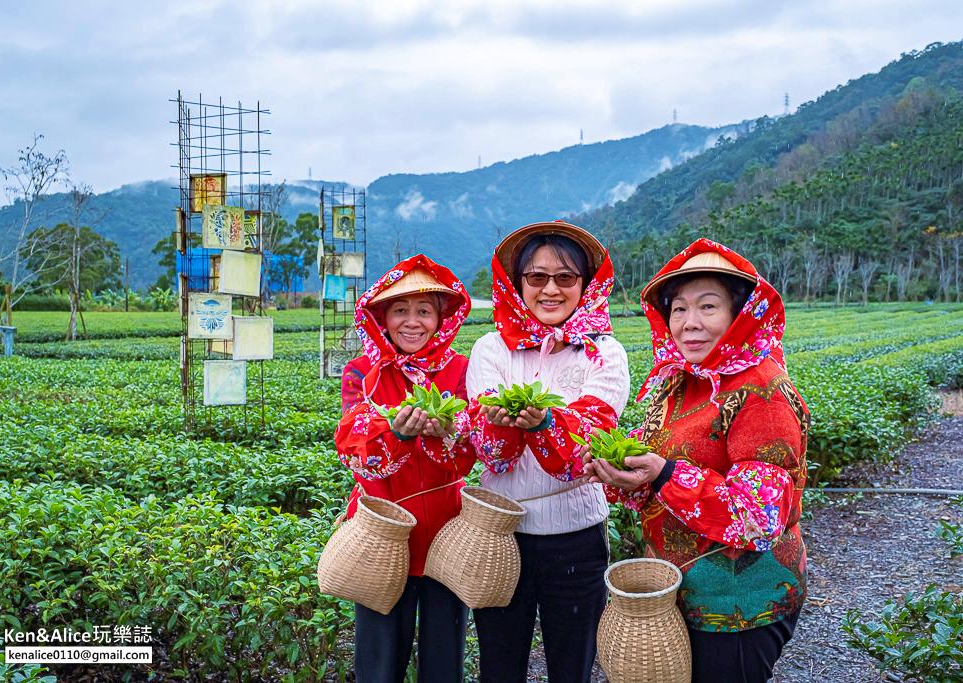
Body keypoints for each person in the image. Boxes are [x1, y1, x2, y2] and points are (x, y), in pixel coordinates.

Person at [584, 238, 810, 683]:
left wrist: (664, 473)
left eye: (708, 307)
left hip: (740, 602)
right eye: (679, 309)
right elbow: (651, 459)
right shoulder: (679, 382)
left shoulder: (760, 390)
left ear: (739, 314)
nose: (690, 323)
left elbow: (758, 517)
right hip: (683, 591)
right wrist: (623, 472)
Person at [465, 221, 630, 682]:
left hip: (577, 534)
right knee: (499, 665)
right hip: (501, 534)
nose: (550, 289)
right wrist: (512, 425)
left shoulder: (605, 352)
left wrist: (545, 422)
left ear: (586, 284)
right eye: (536, 277)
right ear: (517, 284)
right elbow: (492, 452)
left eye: (565, 278)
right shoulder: (490, 348)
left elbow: (589, 441)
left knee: (572, 665)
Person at [334, 254, 475, 683]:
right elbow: (352, 440)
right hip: (382, 534)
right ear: (381, 317)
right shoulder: (361, 372)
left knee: (443, 659)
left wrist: (450, 430)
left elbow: (473, 446)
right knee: (379, 661)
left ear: (441, 318)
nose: (412, 322)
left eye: (424, 311)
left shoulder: (460, 370)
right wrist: (395, 430)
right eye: (400, 310)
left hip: (446, 534)